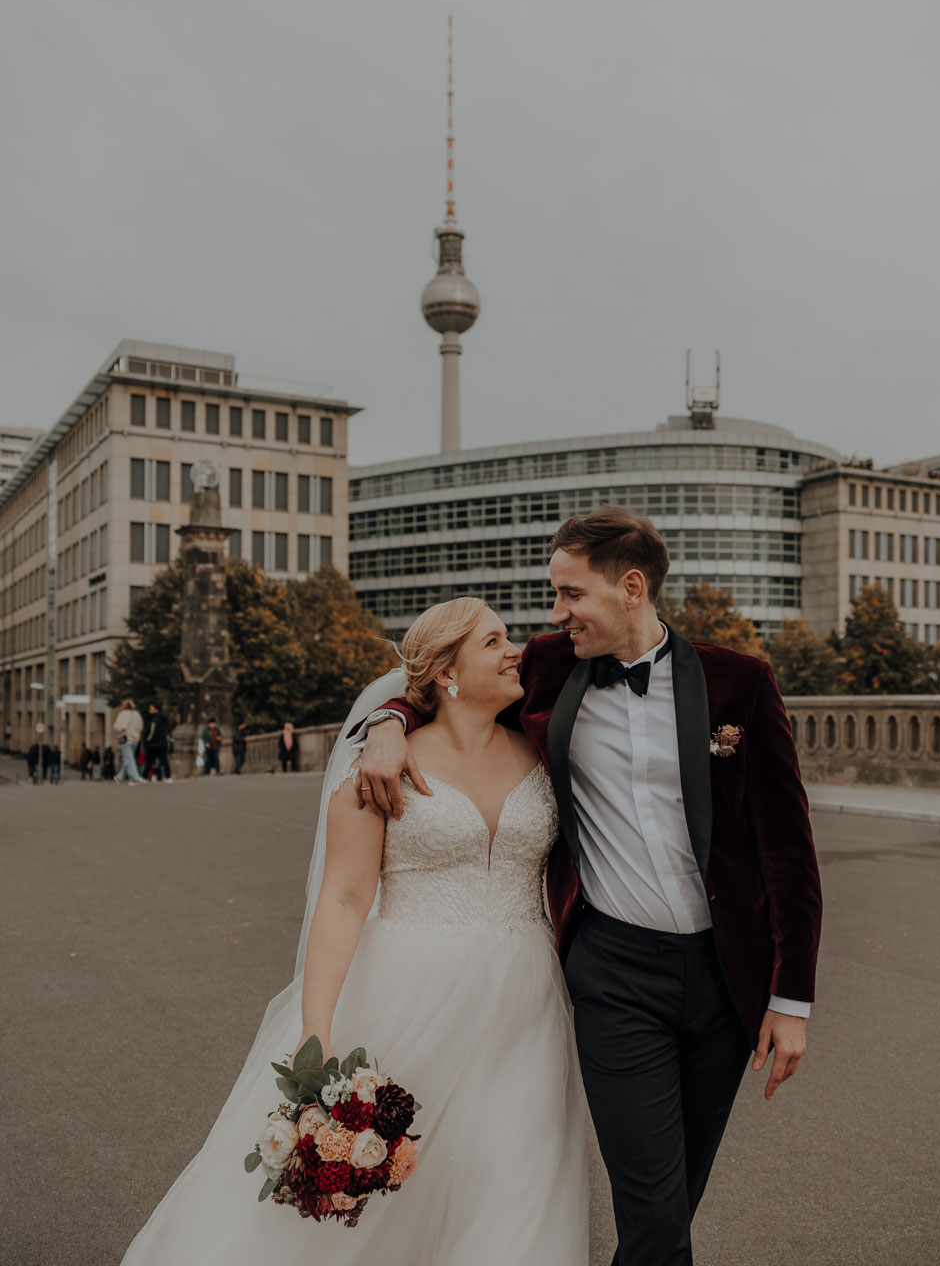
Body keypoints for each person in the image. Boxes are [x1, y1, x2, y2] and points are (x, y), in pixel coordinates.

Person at [356, 507, 823, 1266]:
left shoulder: (740, 682)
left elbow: (789, 854)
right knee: (652, 1215)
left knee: (674, 1203)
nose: (556, 613)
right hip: (614, 976)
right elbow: (445, 677)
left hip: (725, 982)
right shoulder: (550, 664)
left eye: (571, 594)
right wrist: (386, 721)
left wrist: (790, 999)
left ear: (630, 588)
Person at [118, 596, 589, 1265]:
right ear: (447, 674)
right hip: (414, 992)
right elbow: (341, 900)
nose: (516, 651)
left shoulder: (541, 748)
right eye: (493, 642)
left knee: (516, 1181)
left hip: (529, 1003)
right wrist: (316, 1029)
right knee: (397, 1196)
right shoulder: (378, 767)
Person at [113, 700, 146, 785]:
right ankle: (120, 776)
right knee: (129, 758)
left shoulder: (123, 714)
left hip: (127, 737)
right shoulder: (137, 714)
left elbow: (117, 726)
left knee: (128, 758)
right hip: (135, 738)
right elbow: (141, 726)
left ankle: (134, 778)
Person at [142, 704, 172, 783]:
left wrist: (147, 740)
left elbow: (152, 732)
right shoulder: (164, 718)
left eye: (151, 708)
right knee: (164, 761)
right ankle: (168, 777)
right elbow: (168, 731)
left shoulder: (154, 719)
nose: (149, 710)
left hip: (153, 744)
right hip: (163, 743)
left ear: (156, 709)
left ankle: (144, 777)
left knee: (149, 761)